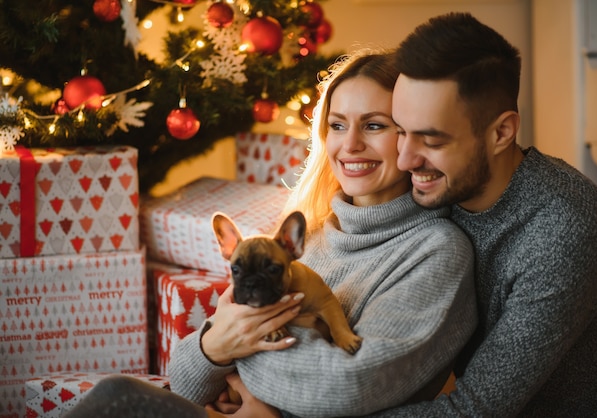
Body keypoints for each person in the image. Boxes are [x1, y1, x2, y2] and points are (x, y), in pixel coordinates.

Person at [62, 49, 477, 418]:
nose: (349, 144)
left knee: (118, 398)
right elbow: (188, 383)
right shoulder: (308, 235)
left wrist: (239, 358)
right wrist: (212, 350)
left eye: (373, 126)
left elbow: (347, 387)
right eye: (336, 125)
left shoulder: (435, 251)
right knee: (115, 393)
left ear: (410, 137)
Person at [367, 12, 597, 417]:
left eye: (431, 139)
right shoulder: (438, 186)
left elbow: (474, 411)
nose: (404, 159)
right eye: (400, 130)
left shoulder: (564, 229)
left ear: (502, 133)